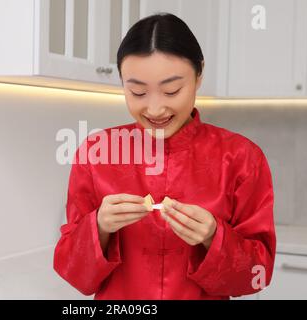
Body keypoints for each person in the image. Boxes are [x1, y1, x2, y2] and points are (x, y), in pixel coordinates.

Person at [53, 12, 276, 300]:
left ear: (199, 76)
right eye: (138, 92)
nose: (155, 109)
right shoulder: (97, 153)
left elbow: (258, 275)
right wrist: (98, 227)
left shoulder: (242, 157)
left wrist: (214, 236)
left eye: (172, 91)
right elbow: (74, 275)